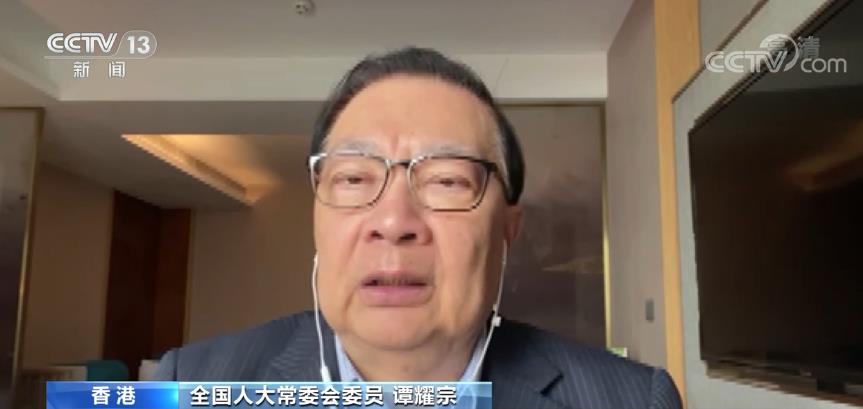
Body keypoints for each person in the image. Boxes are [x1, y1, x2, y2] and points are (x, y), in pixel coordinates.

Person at [155, 47, 682, 409]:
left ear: (508, 228)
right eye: (354, 178)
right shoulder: (189, 385)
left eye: (447, 181)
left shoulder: (633, 400)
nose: (393, 222)